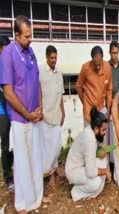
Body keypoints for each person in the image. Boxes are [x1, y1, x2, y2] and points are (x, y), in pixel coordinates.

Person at [0, 15, 44, 213]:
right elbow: (8, 93)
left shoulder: (31, 51)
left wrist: (40, 108)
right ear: (16, 35)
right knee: (22, 161)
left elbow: (37, 81)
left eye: (31, 35)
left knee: (35, 158)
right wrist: (27, 113)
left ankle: (37, 198)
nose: (30, 39)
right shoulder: (7, 55)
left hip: (35, 118)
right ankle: (23, 203)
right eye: (27, 36)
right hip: (20, 119)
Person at [65, 106, 112, 201]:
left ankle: (85, 188)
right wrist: (106, 171)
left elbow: (90, 153)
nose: (105, 133)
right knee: (95, 183)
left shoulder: (89, 131)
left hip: (81, 166)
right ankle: (76, 192)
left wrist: (99, 153)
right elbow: (91, 173)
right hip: (73, 171)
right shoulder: (90, 140)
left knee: (102, 160)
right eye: (103, 130)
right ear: (96, 129)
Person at [39, 45, 65, 188]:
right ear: (47, 57)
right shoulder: (41, 71)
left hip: (56, 114)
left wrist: (63, 111)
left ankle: (53, 172)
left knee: (56, 147)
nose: (54, 60)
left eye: (56, 58)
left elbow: (60, 94)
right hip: (45, 116)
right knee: (47, 149)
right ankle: (48, 177)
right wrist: (40, 110)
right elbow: (39, 92)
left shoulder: (59, 73)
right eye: (52, 58)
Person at [76, 46, 113, 126]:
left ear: (103, 58)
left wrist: (108, 110)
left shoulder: (108, 68)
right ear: (92, 59)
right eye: (96, 64)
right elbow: (78, 87)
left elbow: (109, 90)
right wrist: (84, 102)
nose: (98, 67)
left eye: (99, 64)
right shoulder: (85, 68)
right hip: (88, 111)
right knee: (89, 137)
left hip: (102, 110)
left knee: (101, 137)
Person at [0, 35, 13, 192]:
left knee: (16, 144)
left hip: (14, 110)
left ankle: (15, 170)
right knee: (5, 144)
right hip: (3, 111)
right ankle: (7, 176)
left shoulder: (10, 65)